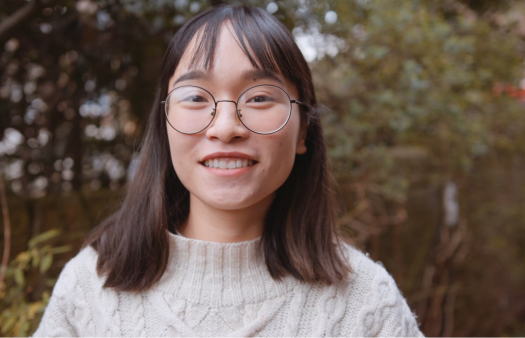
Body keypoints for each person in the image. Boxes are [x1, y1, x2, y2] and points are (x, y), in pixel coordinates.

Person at [32, 5, 424, 337]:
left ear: (303, 128)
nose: (224, 127)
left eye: (258, 97)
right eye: (195, 97)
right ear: (165, 123)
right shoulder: (90, 288)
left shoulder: (366, 305)